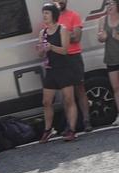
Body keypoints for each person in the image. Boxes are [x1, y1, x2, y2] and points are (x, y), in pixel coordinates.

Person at [38, 3, 79, 143]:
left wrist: (51, 47)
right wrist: (41, 50)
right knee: (46, 102)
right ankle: (48, 130)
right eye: (43, 13)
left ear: (54, 15)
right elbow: (41, 55)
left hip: (64, 69)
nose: (44, 16)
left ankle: (72, 130)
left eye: (47, 13)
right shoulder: (42, 33)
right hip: (50, 70)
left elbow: (65, 50)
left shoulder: (63, 29)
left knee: (68, 100)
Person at [56, 0, 92, 132]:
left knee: (80, 89)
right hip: (59, 59)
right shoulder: (51, 20)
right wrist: (66, 35)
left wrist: (59, 36)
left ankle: (87, 121)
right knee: (66, 94)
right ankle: (70, 125)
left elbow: (76, 37)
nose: (60, 1)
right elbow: (50, 39)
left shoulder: (73, 15)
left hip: (74, 56)